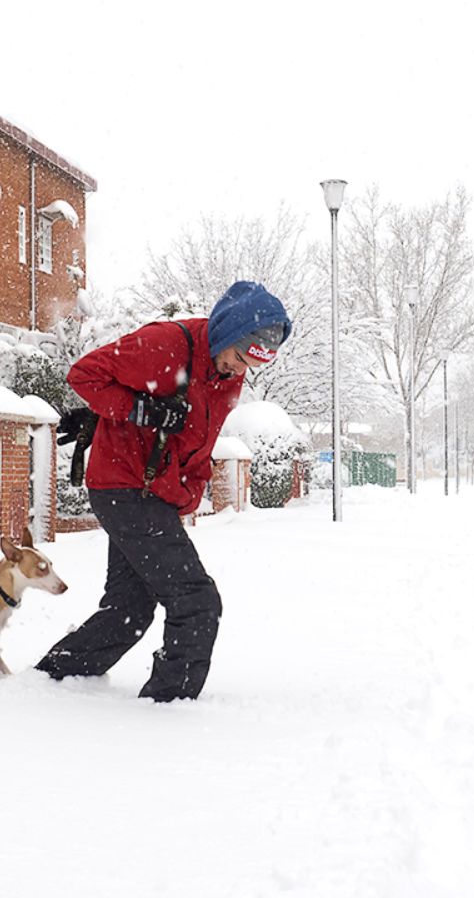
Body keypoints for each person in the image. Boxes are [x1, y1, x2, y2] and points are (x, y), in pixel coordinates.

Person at [36, 280, 292, 701]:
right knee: (196, 601)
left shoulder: (226, 373)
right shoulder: (166, 345)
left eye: (253, 365)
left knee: (129, 608)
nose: (240, 370)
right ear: (228, 333)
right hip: (124, 486)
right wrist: (138, 409)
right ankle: (168, 707)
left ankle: (53, 678)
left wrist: (186, 491)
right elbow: (85, 375)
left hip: (155, 493)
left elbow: (196, 435)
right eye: (240, 356)